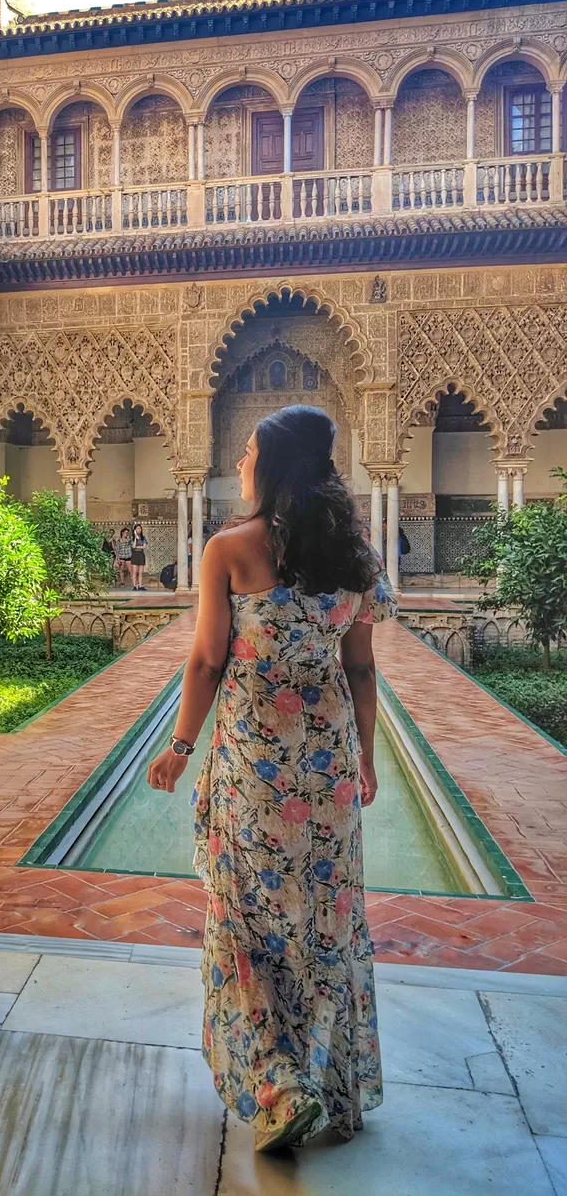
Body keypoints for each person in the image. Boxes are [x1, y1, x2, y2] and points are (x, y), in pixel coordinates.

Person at [146, 404, 395, 1153]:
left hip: (253, 772)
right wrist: (366, 759)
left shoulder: (229, 549)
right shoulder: (357, 560)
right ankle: (329, 1085)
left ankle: (281, 1089)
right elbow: (361, 670)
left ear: (272, 466)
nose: (243, 461)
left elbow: (206, 662)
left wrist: (180, 747)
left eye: (251, 451)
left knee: (246, 925)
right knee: (325, 927)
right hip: (327, 781)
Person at [129, 521, 149, 591]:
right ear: (135, 530)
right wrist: (135, 537)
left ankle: (140, 586)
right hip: (135, 555)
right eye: (137, 528)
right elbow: (133, 546)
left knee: (141, 572)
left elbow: (144, 546)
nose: (139, 530)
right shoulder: (132, 538)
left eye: (140, 528)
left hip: (141, 555)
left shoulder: (143, 538)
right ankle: (135, 586)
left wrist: (137, 547)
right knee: (134, 572)